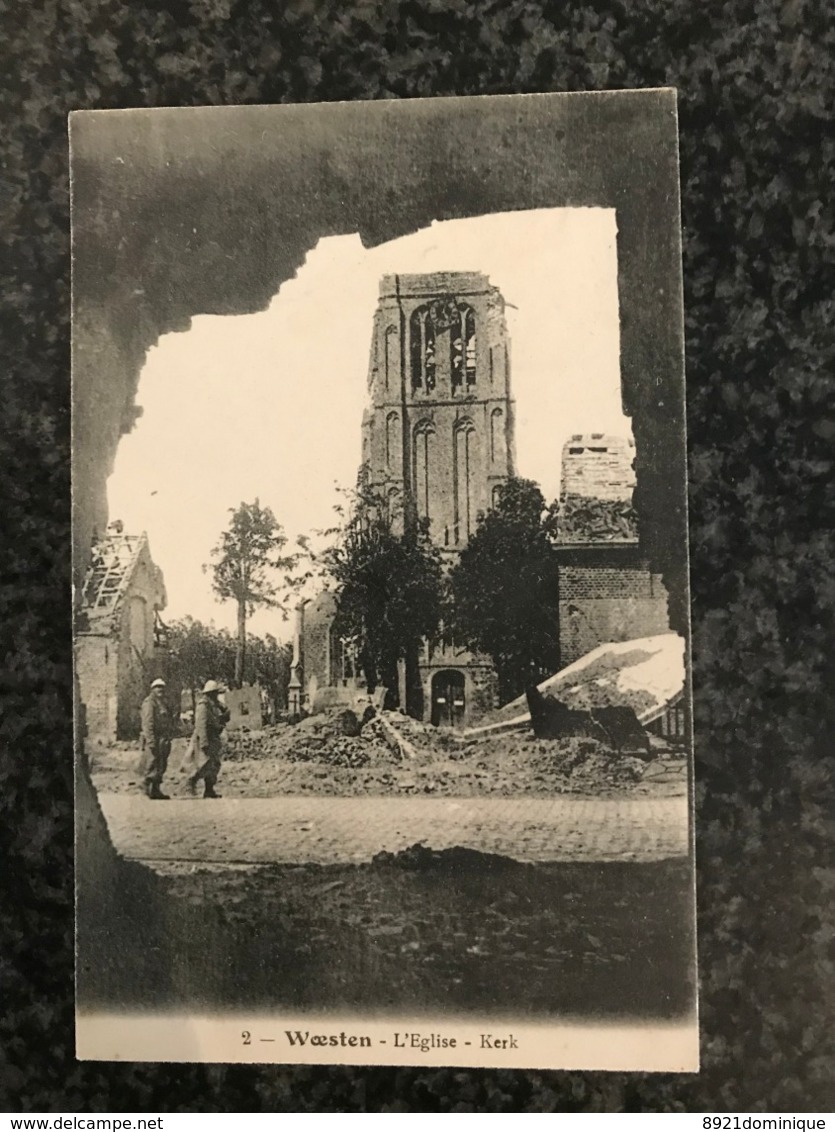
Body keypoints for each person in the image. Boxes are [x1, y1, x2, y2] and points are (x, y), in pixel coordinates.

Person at [187, 680, 231, 798]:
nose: (216, 695)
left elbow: (224, 716)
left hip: (213, 738)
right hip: (205, 737)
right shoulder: (203, 705)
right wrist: (204, 742)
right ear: (209, 693)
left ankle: (209, 790)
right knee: (203, 764)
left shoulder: (214, 705)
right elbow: (201, 724)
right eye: (214, 693)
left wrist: (223, 709)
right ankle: (191, 782)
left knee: (214, 765)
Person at [139, 677, 173, 800]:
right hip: (154, 738)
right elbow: (148, 723)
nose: (160, 690)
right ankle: (146, 788)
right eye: (157, 687)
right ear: (152, 689)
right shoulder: (149, 703)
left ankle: (156, 790)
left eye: (162, 687)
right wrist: (151, 740)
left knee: (161, 765)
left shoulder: (162, 703)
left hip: (163, 739)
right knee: (151, 763)